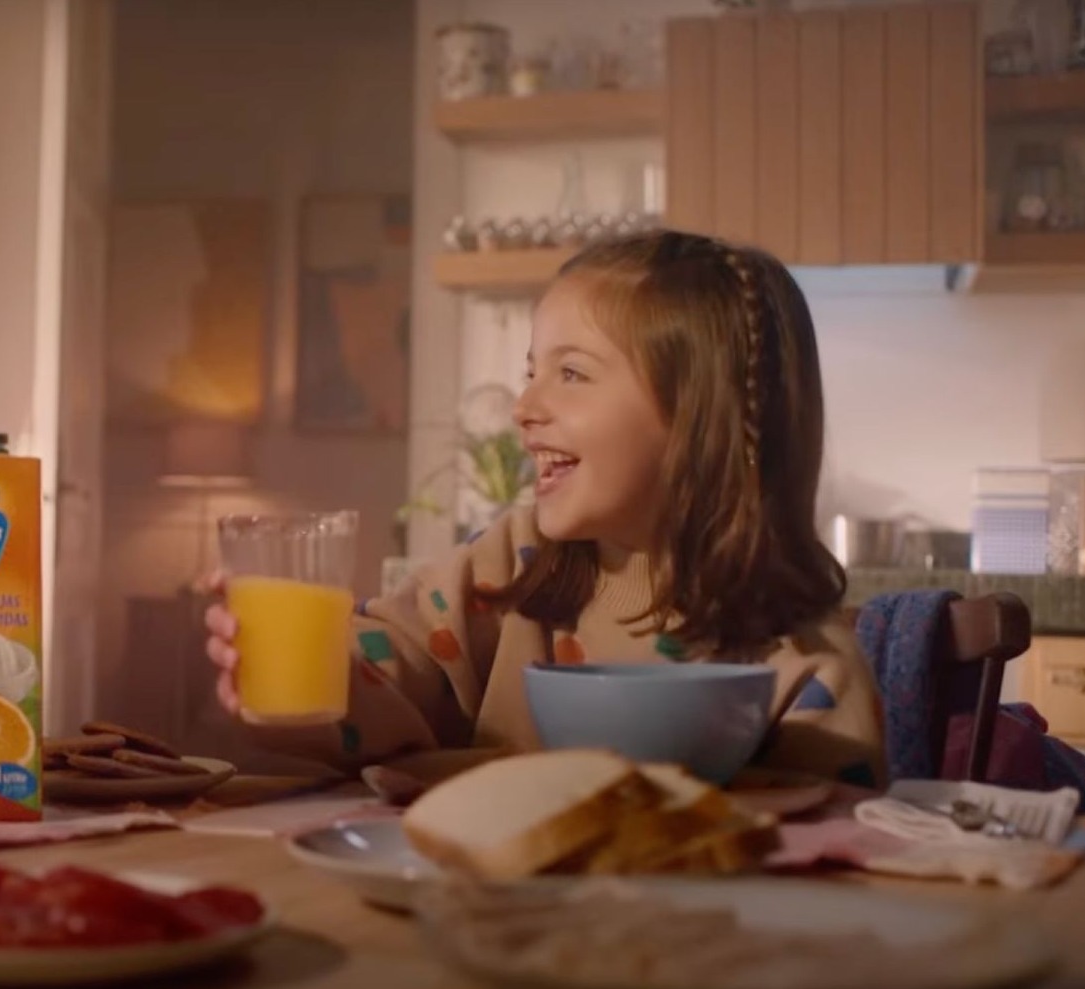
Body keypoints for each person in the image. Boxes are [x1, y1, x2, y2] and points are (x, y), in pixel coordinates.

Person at [204, 229, 887, 787]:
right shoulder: (507, 568)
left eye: (570, 373)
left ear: (699, 420)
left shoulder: (807, 667)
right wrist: (294, 672)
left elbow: (834, 859)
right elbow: (388, 664)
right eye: (532, 371)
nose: (524, 408)